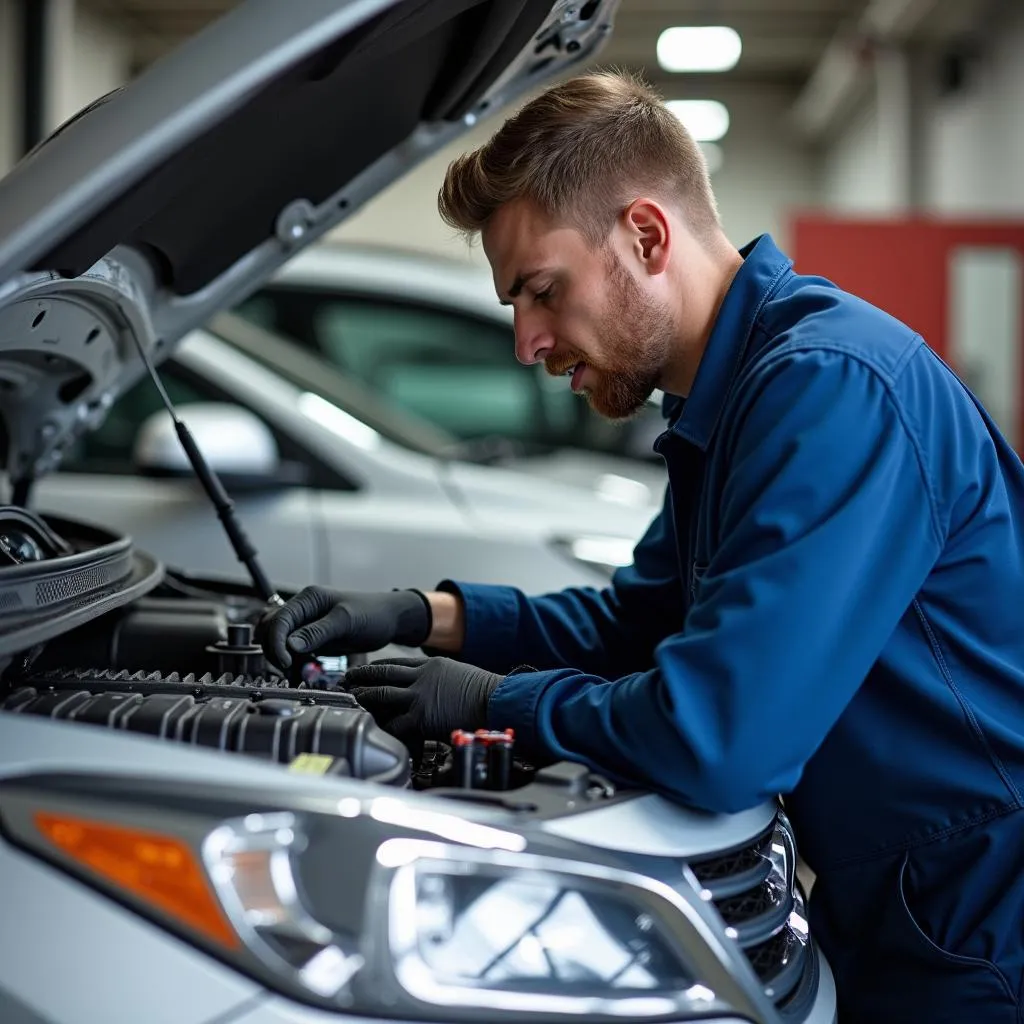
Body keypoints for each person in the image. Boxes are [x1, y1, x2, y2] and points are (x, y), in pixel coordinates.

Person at [261, 71, 1024, 1022]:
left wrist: (505, 703)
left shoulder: (831, 390)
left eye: (541, 291)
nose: (526, 342)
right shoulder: (739, 392)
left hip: (982, 924)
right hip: (903, 903)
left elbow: (721, 740)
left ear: (647, 236)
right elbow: (643, 618)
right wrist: (429, 617)